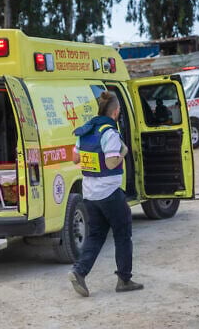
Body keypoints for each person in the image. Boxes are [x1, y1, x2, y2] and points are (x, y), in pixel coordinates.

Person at [68, 91, 144, 297]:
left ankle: (79, 272)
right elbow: (111, 163)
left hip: (90, 193)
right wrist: (123, 152)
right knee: (123, 233)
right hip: (109, 192)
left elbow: (75, 159)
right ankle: (124, 280)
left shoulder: (86, 130)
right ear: (116, 112)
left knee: (96, 235)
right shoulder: (110, 133)